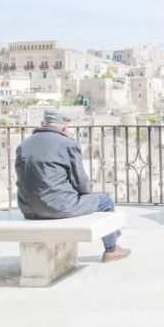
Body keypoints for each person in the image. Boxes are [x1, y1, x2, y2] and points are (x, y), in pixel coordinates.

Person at [15, 110, 131, 262]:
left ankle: (112, 247)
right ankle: (111, 249)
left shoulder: (24, 144)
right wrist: (86, 197)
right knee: (105, 202)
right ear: (63, 128)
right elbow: (80, 181)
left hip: (27, 208)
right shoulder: (67, 144)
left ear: (43, 124)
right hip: (56, 207)